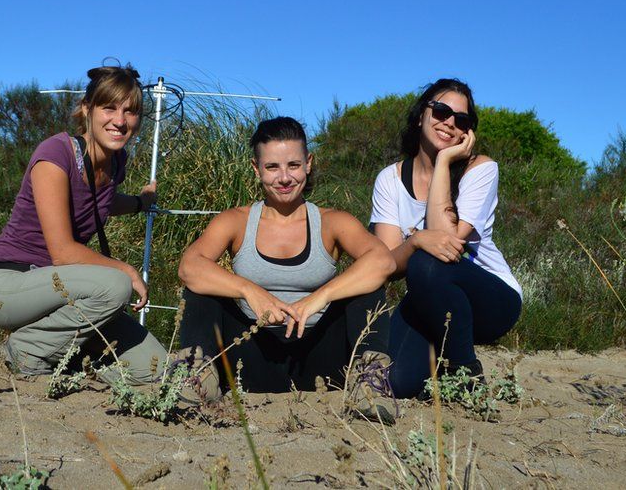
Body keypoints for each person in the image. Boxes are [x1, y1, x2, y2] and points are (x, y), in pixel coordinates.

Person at [178, 117, 396, 409]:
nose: (284, 178)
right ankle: (196, 380)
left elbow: (383, 261)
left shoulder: (333, 221)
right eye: (272, 167)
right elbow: (189, 266)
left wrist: (319, 298)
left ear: (309, 163)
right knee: (201, 288)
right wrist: (249, 291)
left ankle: (370, 384)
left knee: (368, 286)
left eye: (293, 165)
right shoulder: (236, 221)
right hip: (250, 355)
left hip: (319, 359)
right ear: (256, 169)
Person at [0, 63, 166, 383]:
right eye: (109, 107)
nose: (120, 121)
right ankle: (26, 348)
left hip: (64, 292)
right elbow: (64, 253)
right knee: (115, 286)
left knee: (154, 367)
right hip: (11, 285)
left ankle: (70, 360)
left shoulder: (117, 160)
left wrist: (139, 202)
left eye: (130, 111)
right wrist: (127, 269)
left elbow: (101, 203)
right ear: (86, 109)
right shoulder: (56, 154)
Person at [370, 78, 522, 399]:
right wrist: (413, 242)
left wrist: (443, 161)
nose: (450, 122)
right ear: (420, 115)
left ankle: (465, 372)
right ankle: (441, 366)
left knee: (428, 261)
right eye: (441, 111)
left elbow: (446, 242)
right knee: (400, 384)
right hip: (429, 298)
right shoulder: (390, 179)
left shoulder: (480, 169)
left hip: (491, 298)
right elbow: (385, 265)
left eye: (461, 120)